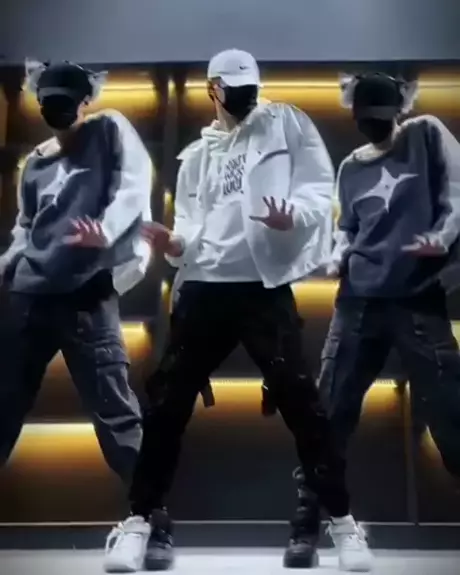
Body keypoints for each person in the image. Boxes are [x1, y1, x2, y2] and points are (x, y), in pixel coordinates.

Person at [103, 49, 373, 573]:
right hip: (204, 287)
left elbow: (317, 187)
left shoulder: (284, 123)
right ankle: (139, 521)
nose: (246, 98)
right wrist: (174, 244)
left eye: (251, 89)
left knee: (303, 406)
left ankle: (343, 523)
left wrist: (293, 218)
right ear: (213, 89)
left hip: (261, 288)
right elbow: (191, 227)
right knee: (166, 406)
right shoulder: (196, 155)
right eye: (235, 90)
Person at [0, 59, 153, 483]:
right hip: (31, 296)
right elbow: (26, 227)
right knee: (5, 401)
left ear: (85, 101)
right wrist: (7, 263)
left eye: (65, 100)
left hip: (87, 294)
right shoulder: (34, 163)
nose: (56, 108)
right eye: (48, 100)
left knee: (115, 410)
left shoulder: (108, 129)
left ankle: (148, 509)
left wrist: (106, 230)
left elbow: (134, 184)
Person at [316, 72, 460, 484]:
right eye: (367, 117)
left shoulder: (426, 134)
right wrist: (337, 256)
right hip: (358, 301)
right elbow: (348, 228)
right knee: (331, 405)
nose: (374, 124)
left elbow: (457, 193)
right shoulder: (351, 168)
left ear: (399, 111)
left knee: (449, 409)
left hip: (417, 297)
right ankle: (311, 505)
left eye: (382, 116)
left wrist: (441, 238)